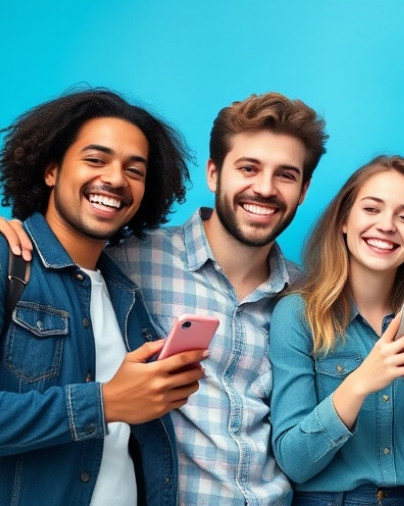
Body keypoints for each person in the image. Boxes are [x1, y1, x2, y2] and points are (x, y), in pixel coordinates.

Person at [0, 92, 329, 505]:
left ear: (303, 189)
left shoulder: (307, 297)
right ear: (214, 173)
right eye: (248, 167)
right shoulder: (132, 260)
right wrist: (104, 403)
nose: (264, 187)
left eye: (285, 174)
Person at [0, 89, 205, 505]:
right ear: (51, 170)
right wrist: (104, 402)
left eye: (135, 170)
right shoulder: (8, 261)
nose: (115, 179)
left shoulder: (127, 295)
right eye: (96, 159)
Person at [269, 155, 404, 506]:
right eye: (372, 209)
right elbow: (294, 461)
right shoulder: (297, 314)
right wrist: (359, 384)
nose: (387, 226)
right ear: (344, 220)